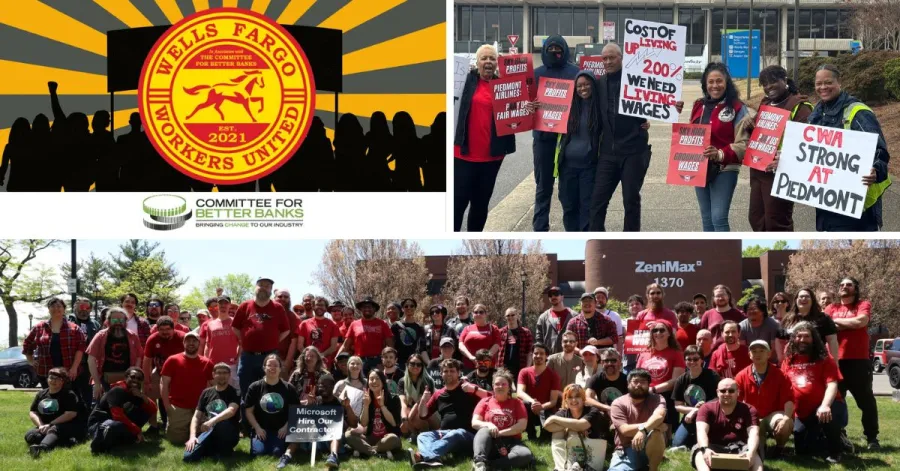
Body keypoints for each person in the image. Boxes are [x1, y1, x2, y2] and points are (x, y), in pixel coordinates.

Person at [807, 64, 890, 231]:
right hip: (827, 200)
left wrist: (876, 169)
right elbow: (807, 151)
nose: (823, 87)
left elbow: (879, 149)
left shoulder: (858, 112)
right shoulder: (817, 112)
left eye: (828, 82)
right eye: (818, 83)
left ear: (839, 83)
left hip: (858, 204)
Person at [680, 62, 755, 232]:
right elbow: (691, 135)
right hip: (699, 168)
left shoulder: (737, 107)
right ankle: (710, 256)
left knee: (718, 217)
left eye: (719, 81)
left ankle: (725, 257)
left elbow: (744, 144)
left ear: (727, 82)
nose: (715, 85)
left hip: (725, 168)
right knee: (706, 218)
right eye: (711, 82)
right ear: (705, 85)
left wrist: (720, 154)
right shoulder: (699, 105)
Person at [589, 42, 653, 232]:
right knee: (597, 202)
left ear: (621, 58)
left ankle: (630, 243)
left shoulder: (637, 80)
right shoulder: (598, 84)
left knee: (631, 202)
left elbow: (661, 100)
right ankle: (599, 240)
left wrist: (673, 107)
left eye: (612, 58)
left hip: (634, 151)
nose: (608, 62)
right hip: (608, 152)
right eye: (604, 58)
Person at [453, 43, 516, 232]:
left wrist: (526, 109)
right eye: (484, 58)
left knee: (480, 206)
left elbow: (516, 116)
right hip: (462, 156)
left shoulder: (505, 86)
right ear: (477, 62)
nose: (488, 62)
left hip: (491, 158)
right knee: (457, 204)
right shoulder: (465, 80)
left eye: (492, 58)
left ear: (497, 62)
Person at [749, 65, 812, 231]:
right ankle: (762, 250)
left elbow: (807, 145)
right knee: (756, 218)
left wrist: (785, 158)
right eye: (764, 84)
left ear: (784, 80)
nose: (768, 87)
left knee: (776, 220)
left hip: (781, 171)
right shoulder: (766, 102)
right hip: (759, 170)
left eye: (773, 82)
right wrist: (750, 126)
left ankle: (783, 255)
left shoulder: (799, 106)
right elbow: (759, 130)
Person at [530, 34, 580, 231]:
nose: (554, 52)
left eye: (558, 49)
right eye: (550, 49)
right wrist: (529, 107)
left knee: (568, 190)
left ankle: (572, 229)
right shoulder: (536, 74)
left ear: (565, 50)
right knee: (543, 188)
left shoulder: (576, 73)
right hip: (543, 140)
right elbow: (522, 104)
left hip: (569, 140)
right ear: (544, 51)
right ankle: (540, 229)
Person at [780, 322, 847, 463]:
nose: (803, 340)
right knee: (802, 450)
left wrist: (825, 405)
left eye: (807, 336)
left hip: (825, 407)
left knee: (828, 414)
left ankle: (836, 451)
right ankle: (831, 440)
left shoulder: (824, 359)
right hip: (802, 412)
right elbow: (783, 387)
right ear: (794, 339)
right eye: (799, 336)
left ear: (814, 339)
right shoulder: (788, 360)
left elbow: (832, 384)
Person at [825, 277, 880, 449]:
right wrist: (850, 324)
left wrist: (836, 323)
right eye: (841, 284)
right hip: (835, 361)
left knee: (866, 401)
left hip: (858, 362)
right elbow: (825, 326)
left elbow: (860, 321)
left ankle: (872, 438)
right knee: (836, 401)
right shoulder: (831, 307)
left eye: (848, 284)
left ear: (855, 289)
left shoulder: (863, 304)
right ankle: (840, 436)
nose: (844, 287)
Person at [409, 358, 491, 468]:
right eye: (445, 371)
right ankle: (432, 458)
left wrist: (474, 390)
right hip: (445, 433)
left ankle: (424, 456)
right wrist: (423, 401)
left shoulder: (468, 388)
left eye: (452, 371)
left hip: (468, 435)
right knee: (423, 436)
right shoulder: (438, 394)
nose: (448, 374)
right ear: (441, 374)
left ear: (458, 373)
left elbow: (492, 398)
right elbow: (423, 415)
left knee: (456, 433)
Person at [553, 70, 601, 231]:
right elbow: (546, 116)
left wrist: (643, 124)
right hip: (567, 167)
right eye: (579, 85)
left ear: (593, 85)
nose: (583, 88)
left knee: (587, 208)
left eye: (587, 84)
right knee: (569, 207)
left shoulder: (600, 108)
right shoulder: (567, 107)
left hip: (589, 168)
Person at [232, 277, 291, 406]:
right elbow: (235, 327)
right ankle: (247, 425)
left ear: (271, 290)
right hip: (248, 357)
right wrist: (244, 340)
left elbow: (286, 330)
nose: (264, 288)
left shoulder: (278, 308)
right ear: (255, 287)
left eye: (267, 286)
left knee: (269, 393)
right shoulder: (244, 306)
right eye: (261, 285)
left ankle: (266, 424)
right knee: (246, 394)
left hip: (269, 357)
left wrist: (273, 341)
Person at [735, 340, 794, 459]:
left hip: (773, 415)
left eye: (762, 351)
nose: (757, 354)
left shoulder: (780, 375)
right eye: (754, 351)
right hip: (752, 417)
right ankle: (761, 445)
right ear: (749, 355)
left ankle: (779, 449)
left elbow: (789, 399)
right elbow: (737, 402)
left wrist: (786, 418)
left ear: (769, 354)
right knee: (759, 453)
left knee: (785, 422)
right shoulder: (741, 376)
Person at [692, 378, 763, 471]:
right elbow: (701, 431)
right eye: (723, 391)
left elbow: (754, 433)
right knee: (700, 452)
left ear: (738, 392)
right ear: (717, 392)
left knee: (755, 455)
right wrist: (705, 449)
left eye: (731, 391)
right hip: (712, 446)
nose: (727, 394)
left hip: (740, 447)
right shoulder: (706, 408)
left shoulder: (749, 410)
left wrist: (751, 452)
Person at [471, 369, 534, 470]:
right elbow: (475, 422)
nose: (500, 386)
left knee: (525, 454)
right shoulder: (484, 401)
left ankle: (489, 466)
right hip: (489, 440)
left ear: (509, 387)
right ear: (493, 386)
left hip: (512, 441)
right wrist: (489, 425)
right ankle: (479, 462)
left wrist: (500, 433)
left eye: (503, 384)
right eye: (497, 384)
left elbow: (522, 426)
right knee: (483, 430)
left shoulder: (517, 403)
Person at [87, 367, 158, 454]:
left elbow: (153, 409)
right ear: (126, 377)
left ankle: (124, 439)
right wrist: (137, 430)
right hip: (99, 422)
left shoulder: (134, 392)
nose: (135, 380)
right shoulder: (118, 390)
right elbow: (118, 416)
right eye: (132, 377)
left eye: (139, 378)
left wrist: (142, 396)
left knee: (145, 411)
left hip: (116, 422)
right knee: (113, 426)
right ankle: (99, 441)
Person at [160, 331, 214, 444]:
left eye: (194, 341)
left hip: (199, 408)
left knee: (203, 438)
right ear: (183, 343)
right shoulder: (172, 360)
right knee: (176, 440)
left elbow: (213, 386)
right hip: (178, 406)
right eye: (188, 341)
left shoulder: (207, 363)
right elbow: (163, 384)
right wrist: (167, 407)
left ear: (199, 344)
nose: (191, 343)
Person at [608, 369, 667, 471]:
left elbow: (659, 416)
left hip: (649, 444)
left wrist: (643, 430)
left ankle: (653, 468)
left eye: (643, 382)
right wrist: (650, 426)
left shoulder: (657, 398)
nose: (638, 385)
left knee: (656, 432)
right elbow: (625, 430)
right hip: (626, 448)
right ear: (628, 384)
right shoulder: (618, 403)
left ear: (649, 385)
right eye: (635, 381)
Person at [244, 354, 301, 458]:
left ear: (280, 368)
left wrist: (286, 427)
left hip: (280, 430)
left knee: (276, 453)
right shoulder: (255, 387)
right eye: (269, 365)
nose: (272, 368)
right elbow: (249, 411)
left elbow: (296, 411)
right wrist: (257, 428)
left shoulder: (289, 388)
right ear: (264, 368)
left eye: (276, 365)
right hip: (261, 429)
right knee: (258, 454)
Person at [182, 363, 240, 462]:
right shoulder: (206, 392)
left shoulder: (235, 392)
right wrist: (192, 437)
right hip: (208, 432)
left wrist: (211, 421)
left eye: (225, 373)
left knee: (222, 423)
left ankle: (222, 449)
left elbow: (231, 411)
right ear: (213, 375)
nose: (222, 376)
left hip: (227, 433)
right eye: (219, 373)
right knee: (188, 457)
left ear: (229, 375)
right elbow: (196, 416)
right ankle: (215, 451)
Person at [23, 297, 86, 388]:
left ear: (64, 309)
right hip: (46, 371)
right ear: (49, 309)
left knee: (69, 399)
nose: (56, 308)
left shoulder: (74, 328)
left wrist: (74, 368)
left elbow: (80, 348)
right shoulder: (39, 327)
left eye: (59, 306)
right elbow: (27, 343)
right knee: (49, 400)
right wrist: (30, 360)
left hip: (68, 372)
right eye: (52, 306)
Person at [636, 320, 685, 438]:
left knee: (664, 437)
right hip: (645, 393)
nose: (658, 333)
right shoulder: (644, 353)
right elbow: (636, 375)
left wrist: (654, 389)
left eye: (662, 330)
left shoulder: (676, 353)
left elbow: (676, 380)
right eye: (655, 330)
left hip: (666, 395)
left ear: (669, 333)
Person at [545, 383, 608, 471]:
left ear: (583, 399)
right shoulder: (563, 413)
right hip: (573, 451)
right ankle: (561, 468)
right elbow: (547, 426)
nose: (573, 400)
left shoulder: (592, 410)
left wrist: (554, 418)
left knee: (573, 431)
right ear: (566, 400)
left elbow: (581, 425)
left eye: (577, 396)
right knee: (558, 432)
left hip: (592, 452)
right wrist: (572, 427)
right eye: (570, 397)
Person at [87, 307, 144, 400]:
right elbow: (91, 359)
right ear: (108, 321)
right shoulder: (100, 336)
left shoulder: (133, 336)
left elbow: (139, 356)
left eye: (121, 320)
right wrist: (97, 383)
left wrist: (134, 378)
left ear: (125, 321)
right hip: (104, 380)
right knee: (104, 408)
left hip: (127, 380)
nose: (118, 322)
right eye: (114, 319)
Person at [25, 367, 83, 457]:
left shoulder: (69, 394)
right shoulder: (41, 394)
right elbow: (33, 412)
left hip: (65, 425)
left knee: (53, 430)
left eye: (57, 379)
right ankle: (65, 441)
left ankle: (42, 448)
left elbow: (71, 414)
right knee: (31, 435)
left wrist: (51, 424)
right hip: (45, 425)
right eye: (51, 377)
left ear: (63, 381)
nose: (53, 381)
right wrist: (40, 425)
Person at [345, 369, 403, 458]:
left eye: (377, 378)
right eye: (371, 379)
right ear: (368, 382)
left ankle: (365, 450)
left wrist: (382, 406)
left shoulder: (394, 398)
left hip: (387, 437)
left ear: (383, 381)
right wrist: (366, 405)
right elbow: (363, 423)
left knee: (393, 439)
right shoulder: (366, 398)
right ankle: (377, 452)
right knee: (348, 435)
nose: (374, 381)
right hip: (371, 437)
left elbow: (394, 423)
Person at [671, 345, 721, 449]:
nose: (692, 362)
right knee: (677, 444)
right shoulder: (681, 380)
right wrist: (694, 410)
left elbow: (719, 400)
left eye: (695, 359)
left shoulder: (712, 376)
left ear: (702, 360)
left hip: (710, 417)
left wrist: (698, 410)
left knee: (713, 442)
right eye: (689, 359)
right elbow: (678, 406)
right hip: (690, 417)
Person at [142, 315, 185, 431]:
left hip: (179, 373)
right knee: (150, 393)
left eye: (167, 329)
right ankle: (153, 425)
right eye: (162, 330)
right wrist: (147, 381)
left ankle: (176, 422)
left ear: (173, 328)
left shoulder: (182, 338)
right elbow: (147, 360)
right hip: (159, 371)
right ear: (157, 329)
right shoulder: (152, 339)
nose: (165, 332)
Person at [517, 342, 562, 441]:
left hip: (546, 410)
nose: (538, 356)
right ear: (532, 355)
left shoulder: (553, 375)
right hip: (529, 409)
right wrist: (533, 402)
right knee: (523, 403)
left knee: (546, 438)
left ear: (546, 356)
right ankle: (531, 434)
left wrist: (541, 406)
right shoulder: (524, 372)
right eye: (536, 353)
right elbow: (520, 392)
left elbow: (553, 401)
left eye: (542, 353)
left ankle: (544, 433)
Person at [778, 288, 839, 359]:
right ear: (796, 300)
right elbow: (779, 340)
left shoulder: (824, 318)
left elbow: (832, 341)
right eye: (801, 296)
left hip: (817, 362)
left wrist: (835, 363)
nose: (804, 298)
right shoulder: (788, 319)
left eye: (807, 296)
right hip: (793, 363)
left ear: (812, 300)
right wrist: (781, 360)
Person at [338, 297, 394, 373]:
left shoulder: (382, 324)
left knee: (377, 384)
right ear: (361, 309)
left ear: (374, 309)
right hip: (359, 361)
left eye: (370, 307)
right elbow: (345, 345)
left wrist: (387, 361)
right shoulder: (354, 324)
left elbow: (390, 346)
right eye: (364, 307)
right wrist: (337, 356)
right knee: (360, 384)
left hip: (378, 361)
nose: (367, 309)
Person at [199, 296, 241, 392]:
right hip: (214, 364)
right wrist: (206, 360)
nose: (223, 305)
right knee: (215, 391)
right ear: (217, 306)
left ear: (229, 305)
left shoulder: (235, 323)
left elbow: (241, 343)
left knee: (233, 391)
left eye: (225, 303)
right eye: (220, 303)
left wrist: (238, 358)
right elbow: (208, 344)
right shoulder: (210, 324)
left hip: (231, 364)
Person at [68, 297, 101, 409]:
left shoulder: (95, 325)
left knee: (89, 395)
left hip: (89, 365)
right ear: (75, 307)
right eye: (81, 306)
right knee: (71, 394)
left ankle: (87, 420)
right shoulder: (68, 322)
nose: (84, 310)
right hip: (72, 365)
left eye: (87, 307)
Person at [399, 353, 438, 437]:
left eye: (419, 364)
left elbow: (420, 403)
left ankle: (422, 434)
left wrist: (409, 418)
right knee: (407, 412)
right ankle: (415, 434)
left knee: (418, 416)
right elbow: (403, 403)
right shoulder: (402, 381)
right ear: (407, 365)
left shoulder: (427, 381)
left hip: (425, 409)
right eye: (412, 364)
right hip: (410, 409)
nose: (415, 366)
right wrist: (404, 418)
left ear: (422, 366)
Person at [586, 348, 628, 422]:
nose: (609, 363)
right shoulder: (597, 378)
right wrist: (607, 408)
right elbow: (587, 399)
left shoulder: (627, 379)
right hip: (603, 414)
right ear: (602, 363)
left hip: (623, 414)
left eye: (613, 361)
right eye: (606, 361)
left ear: (620, 363)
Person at [297, 296, 340, 368]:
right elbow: (300, 345)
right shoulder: (304, 324)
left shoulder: (333, 325)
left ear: (326, 308)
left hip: (325, 364)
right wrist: (309, 356)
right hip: (307, 362)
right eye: (317, 305)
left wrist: (320, 356)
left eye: (322, 305)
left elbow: (333, 347)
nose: (319, 307)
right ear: (313, 307)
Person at [738, 296, 781, 363]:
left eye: (754, 308)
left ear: (763, 311)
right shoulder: (742, 326)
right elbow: (743, 350)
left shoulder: (773, 324)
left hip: (770, 362)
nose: (751, 311)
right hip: (750, 362)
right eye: (749, 309)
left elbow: (774, 349)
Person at [458, 304, 501, 371]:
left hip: (487, 366)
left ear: (486, 314)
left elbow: (497, 344)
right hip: (468, 366)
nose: (478, 314)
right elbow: (461, 344)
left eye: (481, 312)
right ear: (472, 314)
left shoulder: (493, 328)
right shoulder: (467, 328)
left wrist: (485, 358)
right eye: (476, 312)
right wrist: (471, 357)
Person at [535, 286, 576, 354]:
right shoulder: (543, 317)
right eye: (550, 295)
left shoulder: (574, 316)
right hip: (549, 358)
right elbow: (539, 339)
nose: (553, 297)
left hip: (570, 357)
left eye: (556, 294)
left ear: (562, 297)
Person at [497, 307, 533, 381]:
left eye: (512, 315)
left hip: (520, 366)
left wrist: (527, 367)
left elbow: (529, 352)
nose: (510, 317)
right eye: (508, 315)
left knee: (520, 389)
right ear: (505, 317)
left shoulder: (526, 332)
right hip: (503, 367)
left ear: (517, 316)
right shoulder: (500, 332)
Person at [393, 298, 427, 370]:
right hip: (399, 363)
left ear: (415, 308)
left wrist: (428, 363)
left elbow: (422, 348)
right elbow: (391, 345)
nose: (409, 308)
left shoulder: (419, 327)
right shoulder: (396, 326)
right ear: (402, 309)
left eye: (412, 306)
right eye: (406, 306)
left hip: (414, 362)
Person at [274, 289, 299, 376]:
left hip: (282, 360)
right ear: (274, 298)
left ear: (289, 299)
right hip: (263, 358)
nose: (283, 298)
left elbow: (294, 341)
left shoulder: (292, 317)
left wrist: (287, 363)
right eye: (280, 296)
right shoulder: (267, 314)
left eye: (286, 297)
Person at [594, 287, 625, 354]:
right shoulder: (588, 315)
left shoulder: (615, 315)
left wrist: (619, 355)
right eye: (598, 297)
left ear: (606, 300)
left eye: (603, 297)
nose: (600, 300)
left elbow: (619, 338)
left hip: (610, 355)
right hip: (592, 353)